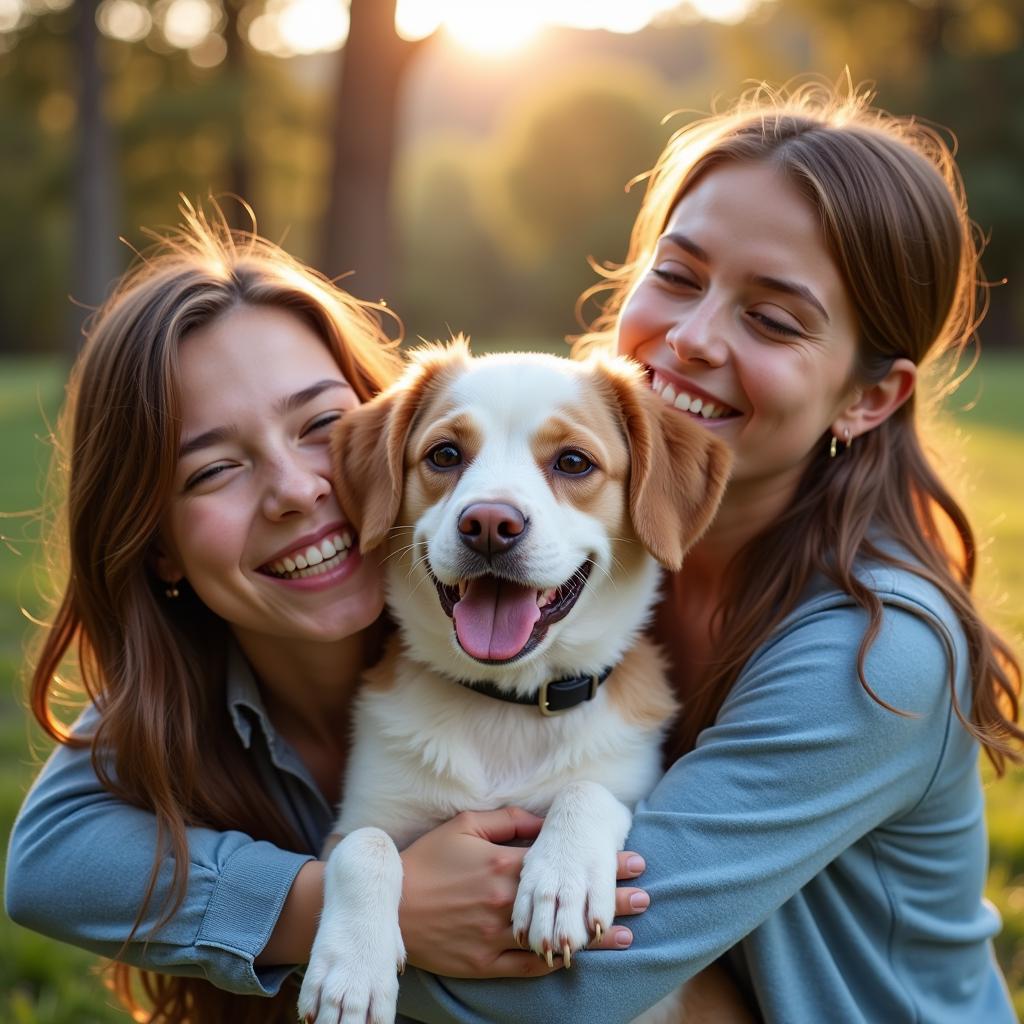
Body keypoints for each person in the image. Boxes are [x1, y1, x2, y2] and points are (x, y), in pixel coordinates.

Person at [387, 83, 1024, 1021]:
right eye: (678, 276)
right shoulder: (505, 555)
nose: (689, 340)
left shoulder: (874, 654)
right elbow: (87, 833)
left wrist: (319, 913)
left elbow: (572, 989)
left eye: (771, 319)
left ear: (869, 398)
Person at [3, 206, 658, 1024]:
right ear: (155, 542)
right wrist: (355, 906)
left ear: (376, 435)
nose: (297, 490)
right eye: (213, 470)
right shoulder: (182, 690)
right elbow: (48, 865)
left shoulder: (568, 625)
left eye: (320, 426)